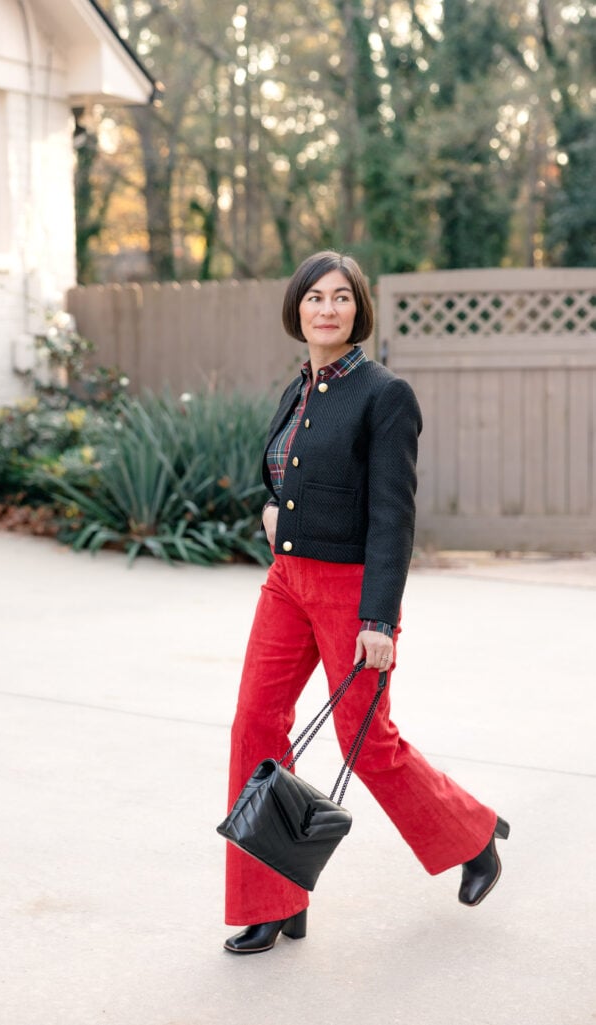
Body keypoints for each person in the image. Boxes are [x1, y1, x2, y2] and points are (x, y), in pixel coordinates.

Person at [222, 250, 509, 955]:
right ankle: (273, 900)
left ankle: (472, 835)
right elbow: (285, 479)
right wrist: (271, 512)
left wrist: (378, 619)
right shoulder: (298, 387)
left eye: (341, 297)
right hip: (287, 581)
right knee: (253, 724)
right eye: (314, 297)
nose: (327, 309)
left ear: (359, 310)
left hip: (350, 591)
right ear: (296, 308)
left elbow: (392, 516)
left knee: (364, 739)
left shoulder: (385, 394)